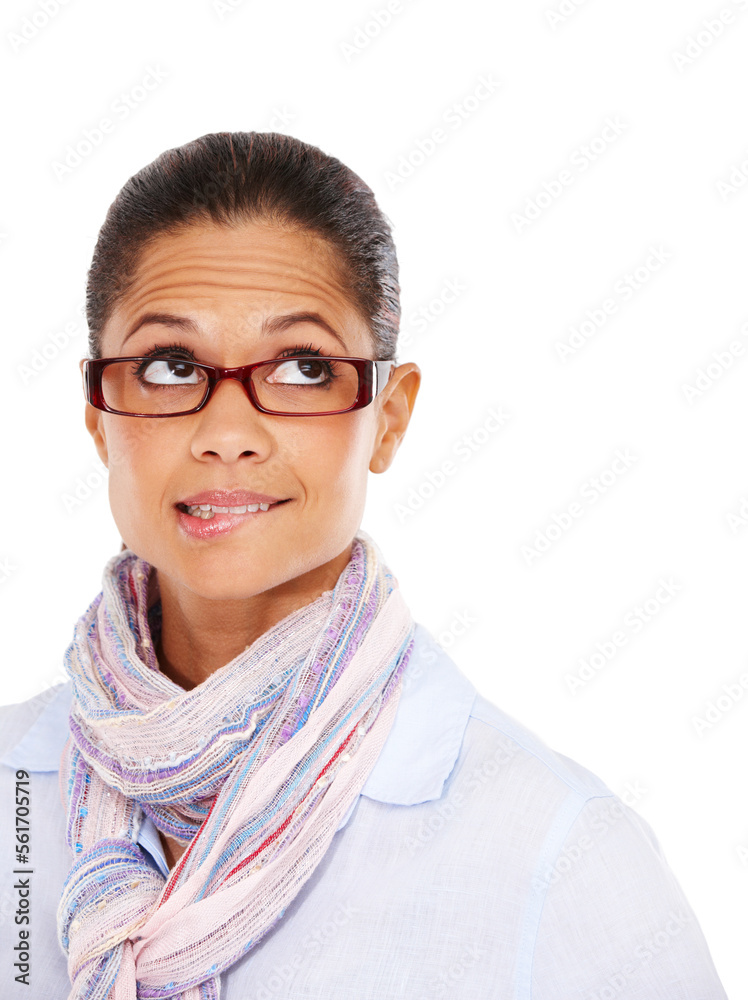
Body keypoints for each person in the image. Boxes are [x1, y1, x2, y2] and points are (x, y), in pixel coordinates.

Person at [0, 131, 727, 999]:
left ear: (389, 417)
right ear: (97, 415)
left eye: (305, 367)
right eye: (170, 365)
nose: (228, 433)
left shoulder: (557, 859)